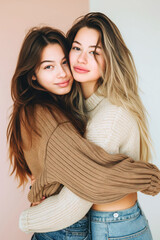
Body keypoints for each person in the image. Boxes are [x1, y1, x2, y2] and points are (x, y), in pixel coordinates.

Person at [7, 25, 160, 240]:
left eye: (94, 52)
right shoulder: (45, 115)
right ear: (33, 75)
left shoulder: (90, 110)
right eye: (77, 49)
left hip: (104, 223)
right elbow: (94, 179)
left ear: (109, 59)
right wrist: (151, 177)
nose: (64, 71)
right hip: (69, 224)